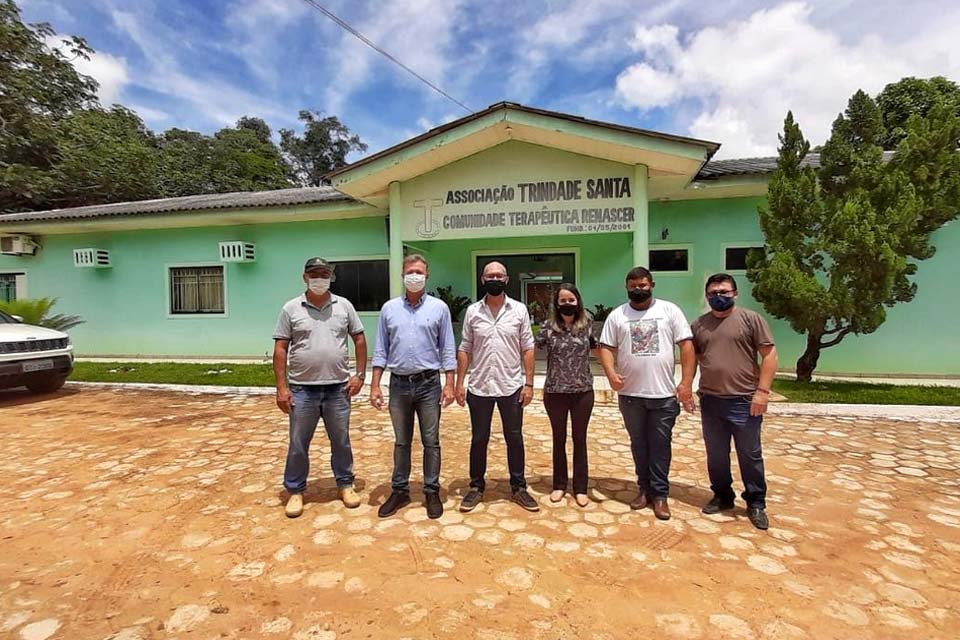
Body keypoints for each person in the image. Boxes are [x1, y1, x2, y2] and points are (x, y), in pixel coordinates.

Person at [598, 266, 695, 521]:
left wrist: (686, 383)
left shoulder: (669, 311)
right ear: (626, 287)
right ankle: (644, 489)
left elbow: (686, 345)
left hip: (663, 395)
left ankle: (660, 495)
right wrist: (610, 373)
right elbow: (606, 347)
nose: (638, 289)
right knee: (639, 444)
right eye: (633, 285)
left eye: (642, 285)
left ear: (651, 284)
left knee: (660, 445)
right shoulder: (617, 315)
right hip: (630, 395)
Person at [273, 257, 367, 518]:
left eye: (323, 274)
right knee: (298, 443)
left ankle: (346, 484)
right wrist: (282, 387)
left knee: (341, 441)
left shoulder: (344, 306)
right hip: (302, 389)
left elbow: (359, 339)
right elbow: (280, 349)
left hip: (338, 388)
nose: (319, 279)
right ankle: (295, 490)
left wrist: (359, 375)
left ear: (331, 277)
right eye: (313, 274)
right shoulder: (291, 308)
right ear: (305, 277)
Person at [370, 255, 456, 519]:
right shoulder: (389, 309)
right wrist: (374, 385)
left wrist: (450, 383)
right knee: (401, 441)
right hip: (398, 385)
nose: (414, 276)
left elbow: (448, 348)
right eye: (410, 271)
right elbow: (381, 349)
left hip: (429, 383)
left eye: (419, 271)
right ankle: (400, 490)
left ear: (427, 275)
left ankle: (431, 491)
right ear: (402, 275)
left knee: (431, 441)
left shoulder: (439, 308)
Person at [691, 273, 777, 530]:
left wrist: (762, 392)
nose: (719, 296)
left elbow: (769, 354)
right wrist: (686, 387)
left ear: (735, 293)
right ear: (706, 296)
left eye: (724, 292)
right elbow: (692, 359)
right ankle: (722, 495)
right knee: (716, 454)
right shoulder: (699, 326)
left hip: (744, 401)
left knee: (750, 455)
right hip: (711, 400)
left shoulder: (751, 320)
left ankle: (756, 501)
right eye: (713, 292)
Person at [455, 261, 539, 513]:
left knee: (514, 437)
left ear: (506, 279)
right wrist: (460, 382)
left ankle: (519, 487)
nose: (494, 278)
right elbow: (465, 348)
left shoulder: (519, 310)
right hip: (480, 386)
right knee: (479, 438)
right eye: (490, 275)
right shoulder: (472, 312)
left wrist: (529, 383)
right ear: (482, 280)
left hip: (511, 385)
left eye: (498, 275)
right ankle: (476, 487)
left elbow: (528, 348)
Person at [535, 283, 599, 507]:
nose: (567, 304)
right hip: (555, 392)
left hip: (582, 392)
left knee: (579, 439)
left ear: (578, 302)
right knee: (558, 439)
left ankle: (581, 488)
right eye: (563, 301)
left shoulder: (588, 325)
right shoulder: (548, 327)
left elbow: (600, 350)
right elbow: (529, 347)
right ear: (557, 304)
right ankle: (559, 485)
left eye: (571, 300)